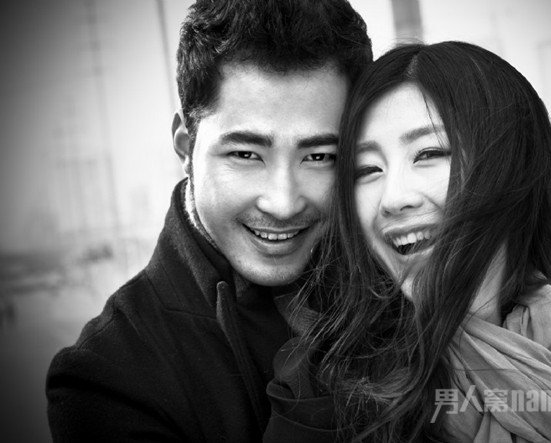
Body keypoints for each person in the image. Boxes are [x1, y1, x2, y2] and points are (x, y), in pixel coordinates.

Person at [266, 42, 551, 442]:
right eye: (367, 170)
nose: (393, 199)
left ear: (510, 165)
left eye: (428, 153)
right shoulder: (322, 394)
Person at [45, 0, 371, 441]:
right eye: (245, 154)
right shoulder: (108, 376)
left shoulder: (399, 290)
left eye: (319, 156)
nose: (283, 203)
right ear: (185, 147)